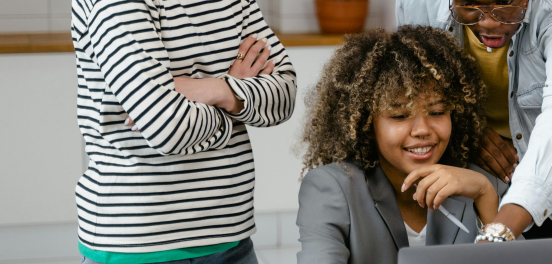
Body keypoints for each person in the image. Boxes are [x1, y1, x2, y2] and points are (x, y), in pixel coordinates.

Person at [396, 0, 552, 241]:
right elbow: (417, 81)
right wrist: (467, 124)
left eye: (505, 4)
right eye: (470, 5)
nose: (488, 23)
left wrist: (498, 234)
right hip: (489, 164)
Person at [71, 0, 296, 262]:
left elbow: (285, 94)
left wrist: (217, 89)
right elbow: (167, 127)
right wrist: (234, 97)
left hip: (231, 237)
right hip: (139, 243)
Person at [295, 26, 509, 264]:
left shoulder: (482, 183)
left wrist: (486, 196)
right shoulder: (333, 188)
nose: (422, 130)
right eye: (399, 116)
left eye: (437, 112)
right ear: (367, 124)